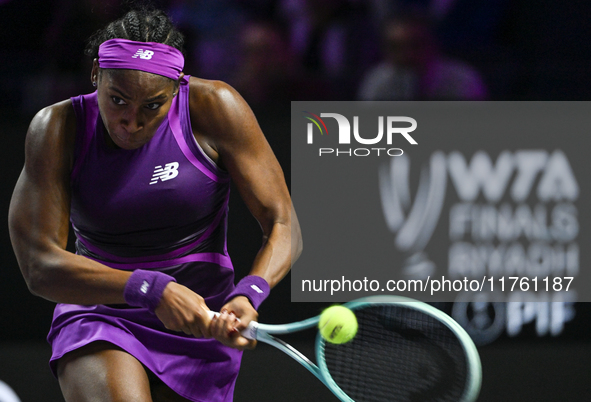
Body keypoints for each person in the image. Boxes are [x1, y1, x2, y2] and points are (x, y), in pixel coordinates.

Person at [8, 7, 302, 402]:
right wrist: (150, 288)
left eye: (152, 106)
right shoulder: (57, 128)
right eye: (117, 100)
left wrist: (250, 293)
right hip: (102, 312)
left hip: (204, 319)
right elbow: (38, 264)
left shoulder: (215, 106)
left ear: (178, 85)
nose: (131, 121)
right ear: (96, 73)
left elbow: (283, 223)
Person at [358, 12, 487, 101]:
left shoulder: (463, 80)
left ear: (433, 44)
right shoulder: (378, 80)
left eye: (415, 45)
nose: (408, 55)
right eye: (396, 47)